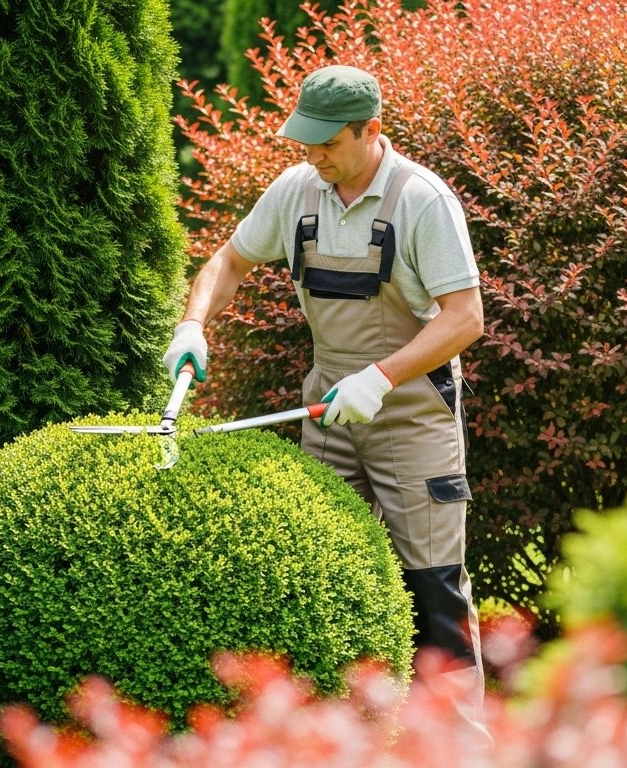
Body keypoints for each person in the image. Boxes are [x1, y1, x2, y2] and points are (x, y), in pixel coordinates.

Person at [162, 64, 489, 734]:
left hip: (412, 411)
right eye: (304, 141)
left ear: (372, 130)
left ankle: (461, 747)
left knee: (434, 592)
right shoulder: (297, 192)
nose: (312, 155)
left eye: (327, 142)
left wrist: (381, 377)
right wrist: (194, 322)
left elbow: (464, 318)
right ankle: (343, 741)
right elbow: (226, 262)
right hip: (329, 412)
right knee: (325, 580)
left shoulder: (422, 201)